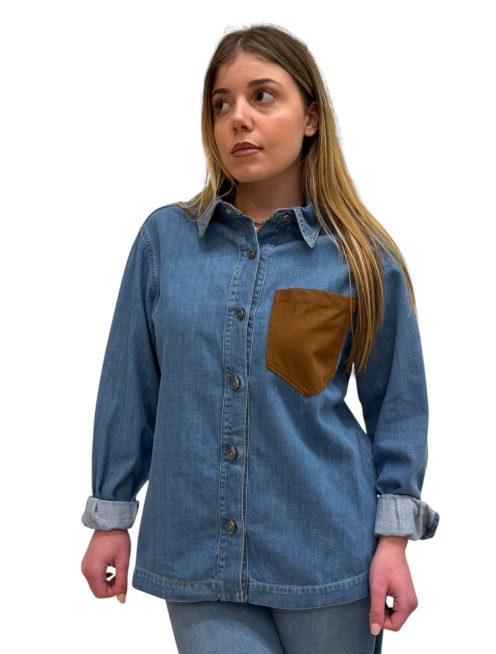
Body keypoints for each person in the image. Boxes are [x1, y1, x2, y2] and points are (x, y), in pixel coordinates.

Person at [81, 23, 439, 654]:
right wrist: (111, 516)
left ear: (311, 118)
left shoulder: (360, 257)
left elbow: (399, 410)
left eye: (262, 96)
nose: (238, 118)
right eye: (222, 104)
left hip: (329, 557)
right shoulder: (165, 243)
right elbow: (129, 387)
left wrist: (394, 542)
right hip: (197, 553)